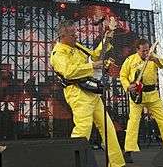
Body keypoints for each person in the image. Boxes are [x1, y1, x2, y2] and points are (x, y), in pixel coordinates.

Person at [50, 20, 125, 167]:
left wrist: (107, 37)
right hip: (78, 93)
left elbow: (95, 56)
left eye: (75, 33)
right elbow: (68, 72)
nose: (76, 37)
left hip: (91, 92)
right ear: (62, 36)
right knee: (83, 129)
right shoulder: (58, 53)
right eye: (73, 35)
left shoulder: (76, 46)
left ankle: (117, 164)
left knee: (108, 129)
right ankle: (73, 162)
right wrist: (92, 65)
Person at [119, 38, 163, 163]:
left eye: (147, 49)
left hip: (153, 95)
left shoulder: (153, 57)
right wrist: (128, 86)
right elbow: (122, 75)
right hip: (137, 96)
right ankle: (128, 150)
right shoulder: (130, 60)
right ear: (137, 50)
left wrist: (154, 58)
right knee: (133, 121)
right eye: (143, 51)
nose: (146, 52)